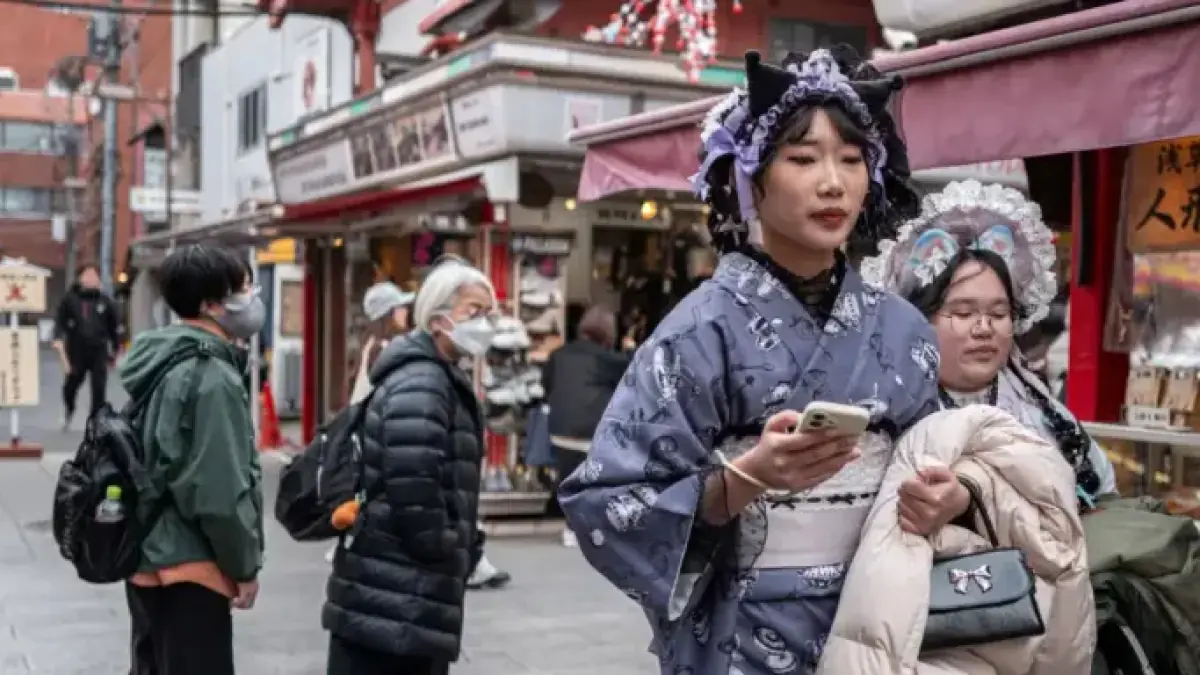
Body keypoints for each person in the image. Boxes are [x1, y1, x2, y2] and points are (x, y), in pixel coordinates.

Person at [559, 47, 951, 674]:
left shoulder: (905, 330)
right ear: (750, 178)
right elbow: (606, 500)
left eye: (852, 159)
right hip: (741, 639)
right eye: (803, 158)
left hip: (882, 622)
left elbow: (942, 458)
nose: (833, 182)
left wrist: (948, 498)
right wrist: (745, 479)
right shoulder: (697, 331)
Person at [861, 179, 1118, 501]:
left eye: (998, 313)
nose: (984, 328)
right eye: (963, 312)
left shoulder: (1042, 412)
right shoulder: (887, 414)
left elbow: (1102, 491)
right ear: (920, 321)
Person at [323, 258, 493, 675]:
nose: (485, 324)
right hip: (398, 593)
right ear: (437, 318)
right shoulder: (424, 382)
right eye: (473, 311)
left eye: (489, 313)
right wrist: (445, 546)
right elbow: (413, 482)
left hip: (398, 595)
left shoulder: (434, 376)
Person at [118, 245, 265, 675]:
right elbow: (218, 490)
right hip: (191, 566)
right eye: (243, 289)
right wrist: (243, 566)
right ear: (210, 304)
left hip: (146, 557)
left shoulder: (158, 360)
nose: (251, 298)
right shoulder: (211, 375)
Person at [541, 305, 629, 547]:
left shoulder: (558, 355)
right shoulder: (608, 359)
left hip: (560, 429)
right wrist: (630, 348)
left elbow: (547, 385)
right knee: (599, 479)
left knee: (569, 477)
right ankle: (589, 527)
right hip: (592, 430)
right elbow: (632, 377)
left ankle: (572, 526)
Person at [53, 263, 120, 428]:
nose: (91, 279)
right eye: (87, 275)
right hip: (76, 350)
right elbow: (60, 322)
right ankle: (69, 407)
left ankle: (95, 421)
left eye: (94, 275)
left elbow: (114, 327)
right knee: (71, 384)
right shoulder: (70, 299)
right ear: (80, 278)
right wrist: (58, 338)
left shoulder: (105, 301)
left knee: (99, 387)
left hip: (99, 349)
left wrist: (115, 349)